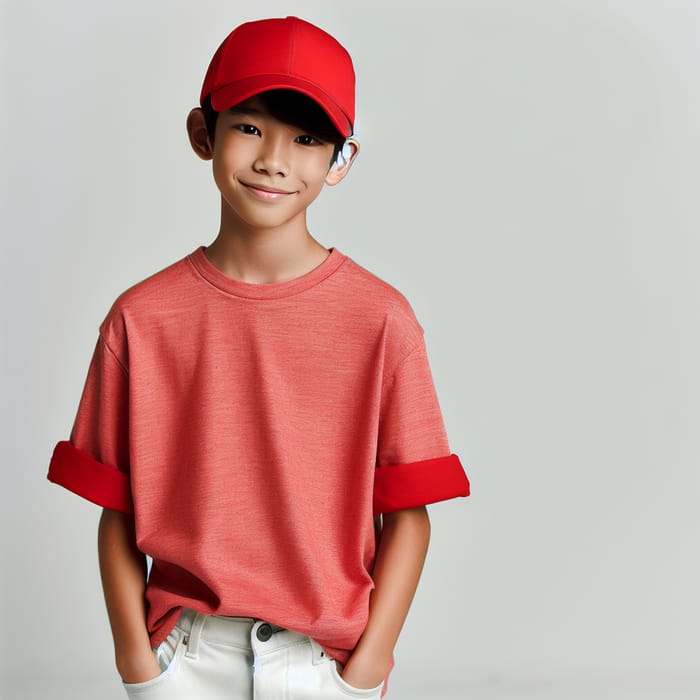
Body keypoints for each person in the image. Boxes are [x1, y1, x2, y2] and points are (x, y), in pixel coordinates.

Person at [47, 15, 470, 700]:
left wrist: (366, 670)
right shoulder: (141, 319)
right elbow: (118, 511)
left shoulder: (381, 320)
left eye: (307, 139)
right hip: (186, 654)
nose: (275, 158)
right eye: (250, 126)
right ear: (201, 132)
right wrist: (139, 663)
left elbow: (409, 517)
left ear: (342, 161)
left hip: (323, 663)